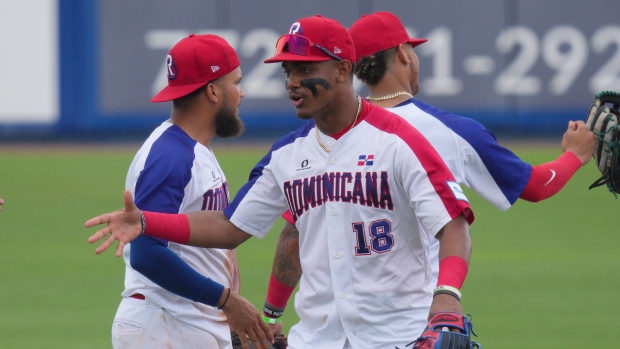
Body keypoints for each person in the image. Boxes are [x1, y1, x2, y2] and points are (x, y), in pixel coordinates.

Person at [86, 15, 476, 349]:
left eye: (305, 70)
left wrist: (447, 294)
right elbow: (229, 226)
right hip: (317, 339)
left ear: (342, 70)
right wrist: (147, 223)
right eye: (288, 71)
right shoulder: (285, 155)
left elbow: (452, 222)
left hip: (397, 335)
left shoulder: (400, 140)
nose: (292, 81)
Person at [259, 10, 596, 335]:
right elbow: (536, 186)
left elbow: (293, 235)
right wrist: (575, 155)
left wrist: (272, 313)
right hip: (413, 321)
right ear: (403, 54)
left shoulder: (334, 135)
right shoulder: (449, 130)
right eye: (412, 50)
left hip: (333, 327)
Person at [106, 34, 271, 349]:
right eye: (235, 83)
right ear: (212, 91)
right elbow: (146, 252)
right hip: (164, 324)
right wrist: (227, 302)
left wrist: (229, 318)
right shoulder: (171, 156)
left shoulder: (192, 150)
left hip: (183, 324)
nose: (242, 92)